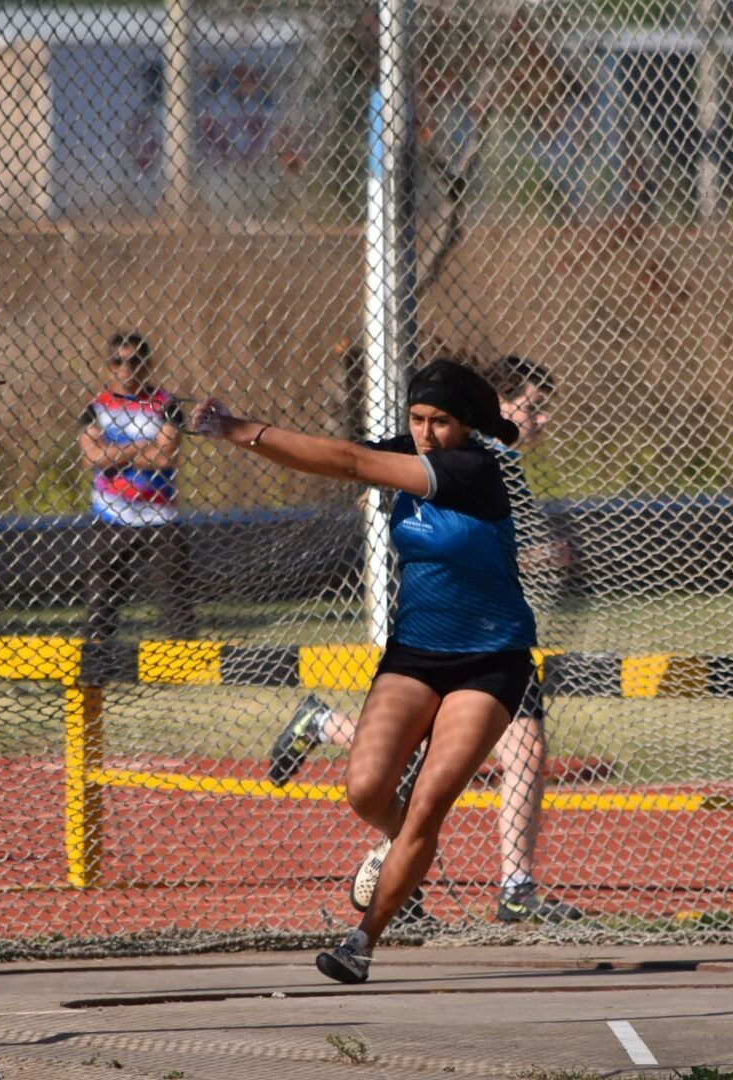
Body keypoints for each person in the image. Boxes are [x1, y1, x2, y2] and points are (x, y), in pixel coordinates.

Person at [192, 358, 538, 984]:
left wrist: (239, 427)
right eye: (417, 419)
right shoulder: (411, 448)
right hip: (416, 653)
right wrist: (235, 434)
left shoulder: (473, 468)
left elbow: (351, 463)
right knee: (367, 788)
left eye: (440, 422)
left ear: (466, 427)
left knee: (430, 801)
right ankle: (404, 847)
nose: (426, 433)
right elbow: (334, 455)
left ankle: (362, 941)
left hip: (491, 660)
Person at [268, 355, 583, 925]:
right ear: (491, 408)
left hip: (496, 641)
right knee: (421, 767)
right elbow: (353, 462)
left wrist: (535, 557)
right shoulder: (474, 460)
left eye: (543, 409)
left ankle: (507, 881)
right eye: (529, 407)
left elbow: (488, 544)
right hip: (441, 639)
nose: (538, 420)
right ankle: (423, 856)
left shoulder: (500, 465)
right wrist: (245, 433)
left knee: (519, 752)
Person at [79, 331, 195, 641]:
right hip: (110, 514)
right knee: (101, 600)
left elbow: (165, 457)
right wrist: (141, 446)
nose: (126, 368)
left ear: (146, 364)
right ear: (109, 366)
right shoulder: (97, 407)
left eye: (133, 361)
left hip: (159, 514)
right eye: (118, 361)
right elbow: (92, 458)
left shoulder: (165, 405)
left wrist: (115, 455)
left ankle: (183, 659)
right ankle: (98, 658)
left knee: (175, 600)